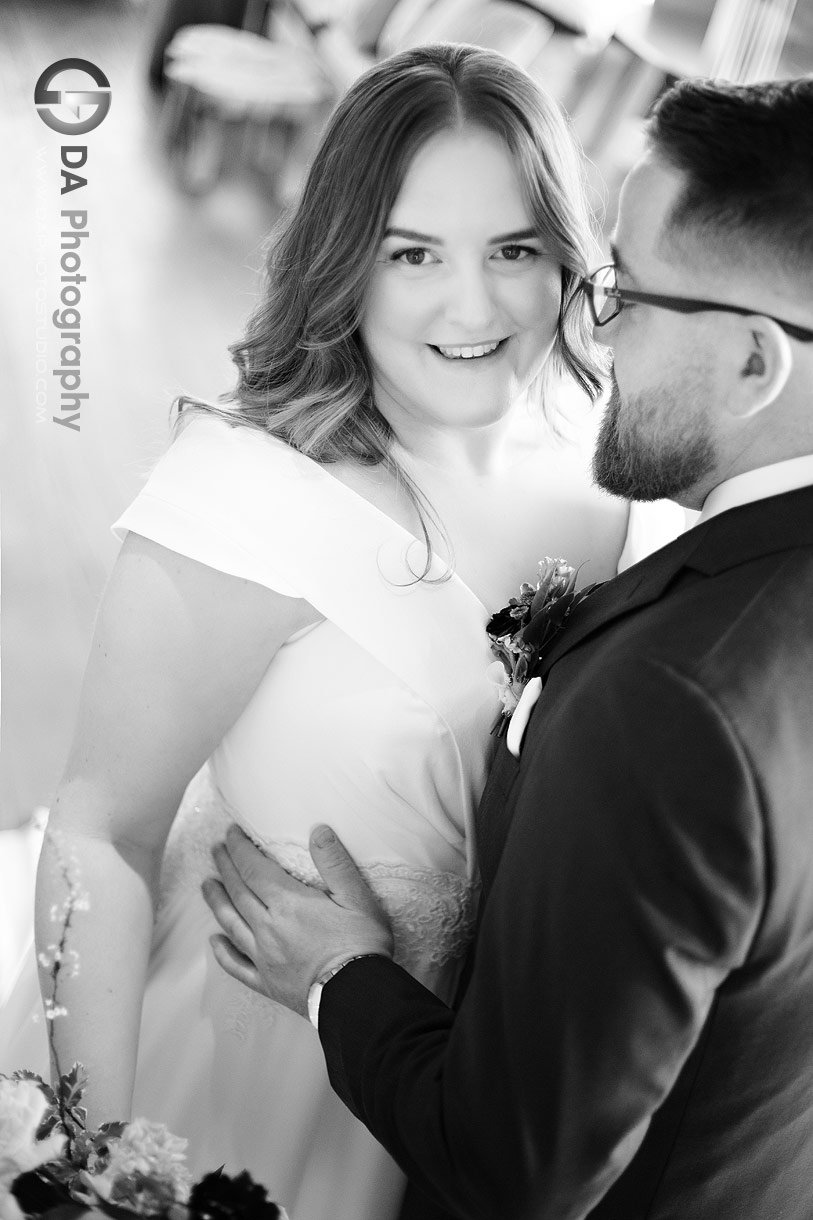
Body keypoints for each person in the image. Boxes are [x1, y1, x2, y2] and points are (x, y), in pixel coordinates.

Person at [0, 43, 679, 1220]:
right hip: (250, 1060)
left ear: (569, 253)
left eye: (514, 249)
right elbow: (101, 834)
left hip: (474, 1082)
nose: (474, 306)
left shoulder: (609, 467)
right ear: (344, 261)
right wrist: (93, 1166)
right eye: (413, 253)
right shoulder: (248, 497)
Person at [203, 73, 813, 1220]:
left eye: (627, 289)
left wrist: (340, 975)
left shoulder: (673, 696)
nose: (596, 321)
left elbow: (513, 1164)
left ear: (753, 362)